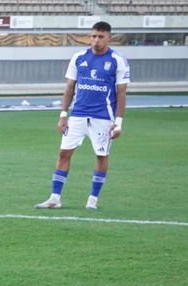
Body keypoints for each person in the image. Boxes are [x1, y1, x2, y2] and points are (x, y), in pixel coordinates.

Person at [36, 21, 128, 212]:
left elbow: (121, 93)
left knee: (101, 155)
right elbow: (69, 87)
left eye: (101, 36)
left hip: (103, 117)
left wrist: (118, 122)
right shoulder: (79, 58)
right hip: (77, 115)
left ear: (109, 38)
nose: (96, 40)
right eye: (94, 36)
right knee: (64, 153)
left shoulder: (117, 61)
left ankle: (92, 200)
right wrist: (63, 115)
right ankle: (54, 198)